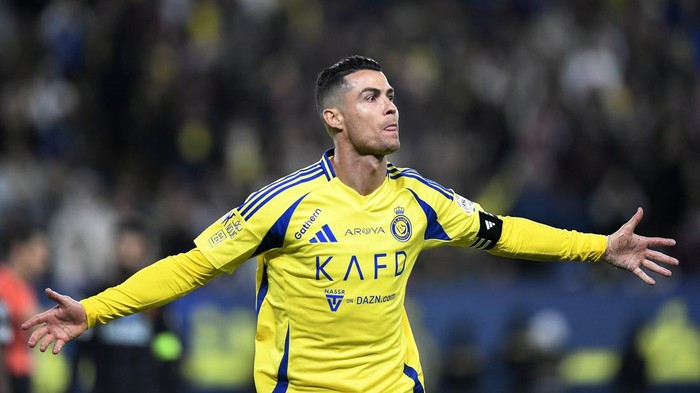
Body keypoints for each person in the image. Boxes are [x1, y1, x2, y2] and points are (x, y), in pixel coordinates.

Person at [22, 55, 678, 392]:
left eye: (392, 95)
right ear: (334, 119)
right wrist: (96, 311)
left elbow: (502, 231)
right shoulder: (280, 204)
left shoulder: (419, 198)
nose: (391, 107)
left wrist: (601, 247)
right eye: (372, 97)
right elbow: (191, 265)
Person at [67, 216, 183, 393]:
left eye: (134, 245)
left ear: (144, 250)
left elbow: (168, 348)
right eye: (124, 243)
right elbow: (82, 352)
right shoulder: (97, 295)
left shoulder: (158, 297)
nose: (128, 250)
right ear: (115, 248)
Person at [0, 219, 50, 393]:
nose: (44, 254)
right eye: (39, 246)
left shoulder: (25, 286)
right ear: (19, 249)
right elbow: (36, 322)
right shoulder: (4, 284)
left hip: (22, 373)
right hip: (9, 375)